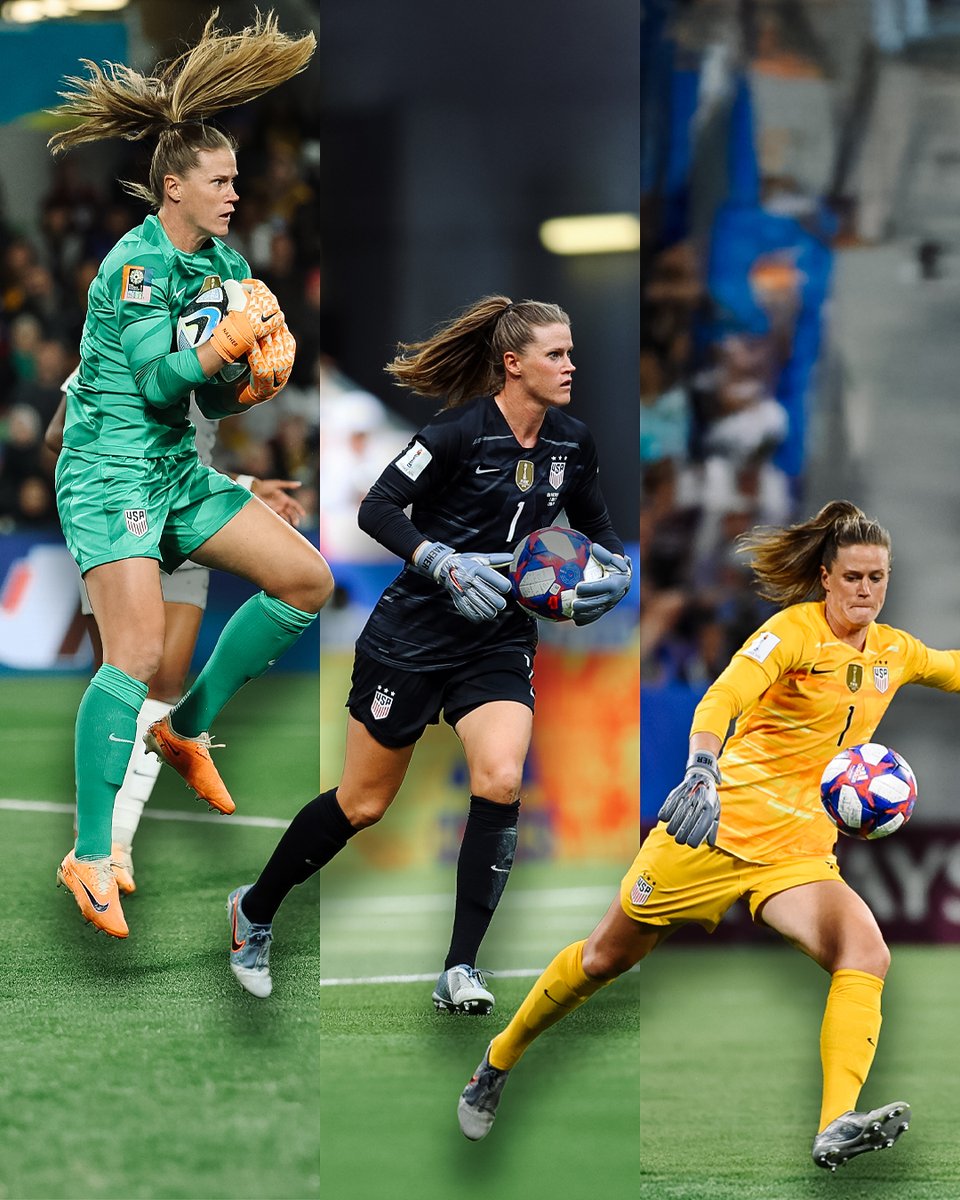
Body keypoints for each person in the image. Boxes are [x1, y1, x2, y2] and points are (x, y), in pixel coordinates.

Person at [457, 500, 959, 1171]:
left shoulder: (895, 651)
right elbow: (721, 698)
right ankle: (497, 1061)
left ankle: (836, 1121)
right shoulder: (791, 635)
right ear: (826, 578)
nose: (867, 589)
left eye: (878, 577)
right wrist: (700, 767)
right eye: (854, 577)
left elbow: (950, 666)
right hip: (713, 831)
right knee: (605, 958)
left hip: (797, 854)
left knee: (865, 953)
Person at [224, 295, 633, 1002]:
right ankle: (253, 909)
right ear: (513, 365)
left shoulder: (573, 443)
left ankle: (459, 969)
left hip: (498, 637)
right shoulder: (456, 434)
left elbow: (601, 535)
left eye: (571, 352)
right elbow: (376, 507)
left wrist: (611, 580)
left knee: (501, 778)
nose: (571, 365)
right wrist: (441, 562)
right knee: (362, 804)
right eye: (555, 354)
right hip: (413, 635)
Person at [47, 10, 332, 939]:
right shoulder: (133, 263)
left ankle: (184, 729)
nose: (235, 194)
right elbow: (159, 376)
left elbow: (209, 403)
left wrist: (256, 374)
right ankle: (92, 855)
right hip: (108, 471)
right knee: (131, 655)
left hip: (172, 467)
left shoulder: (228, 265)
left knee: (305, 579)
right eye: (220, 181)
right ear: (174, 186)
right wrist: (221, 350)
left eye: (238, 180)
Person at [45, 385, 306, 894]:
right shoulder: (129, 340)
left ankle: (118, 842)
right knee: (125, 672)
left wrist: (246, 483)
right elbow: (59, 432)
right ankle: (96, 839)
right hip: (116, 511)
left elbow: (185, 456)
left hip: (184, 507)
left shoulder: (210, 356)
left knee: (165, 680)